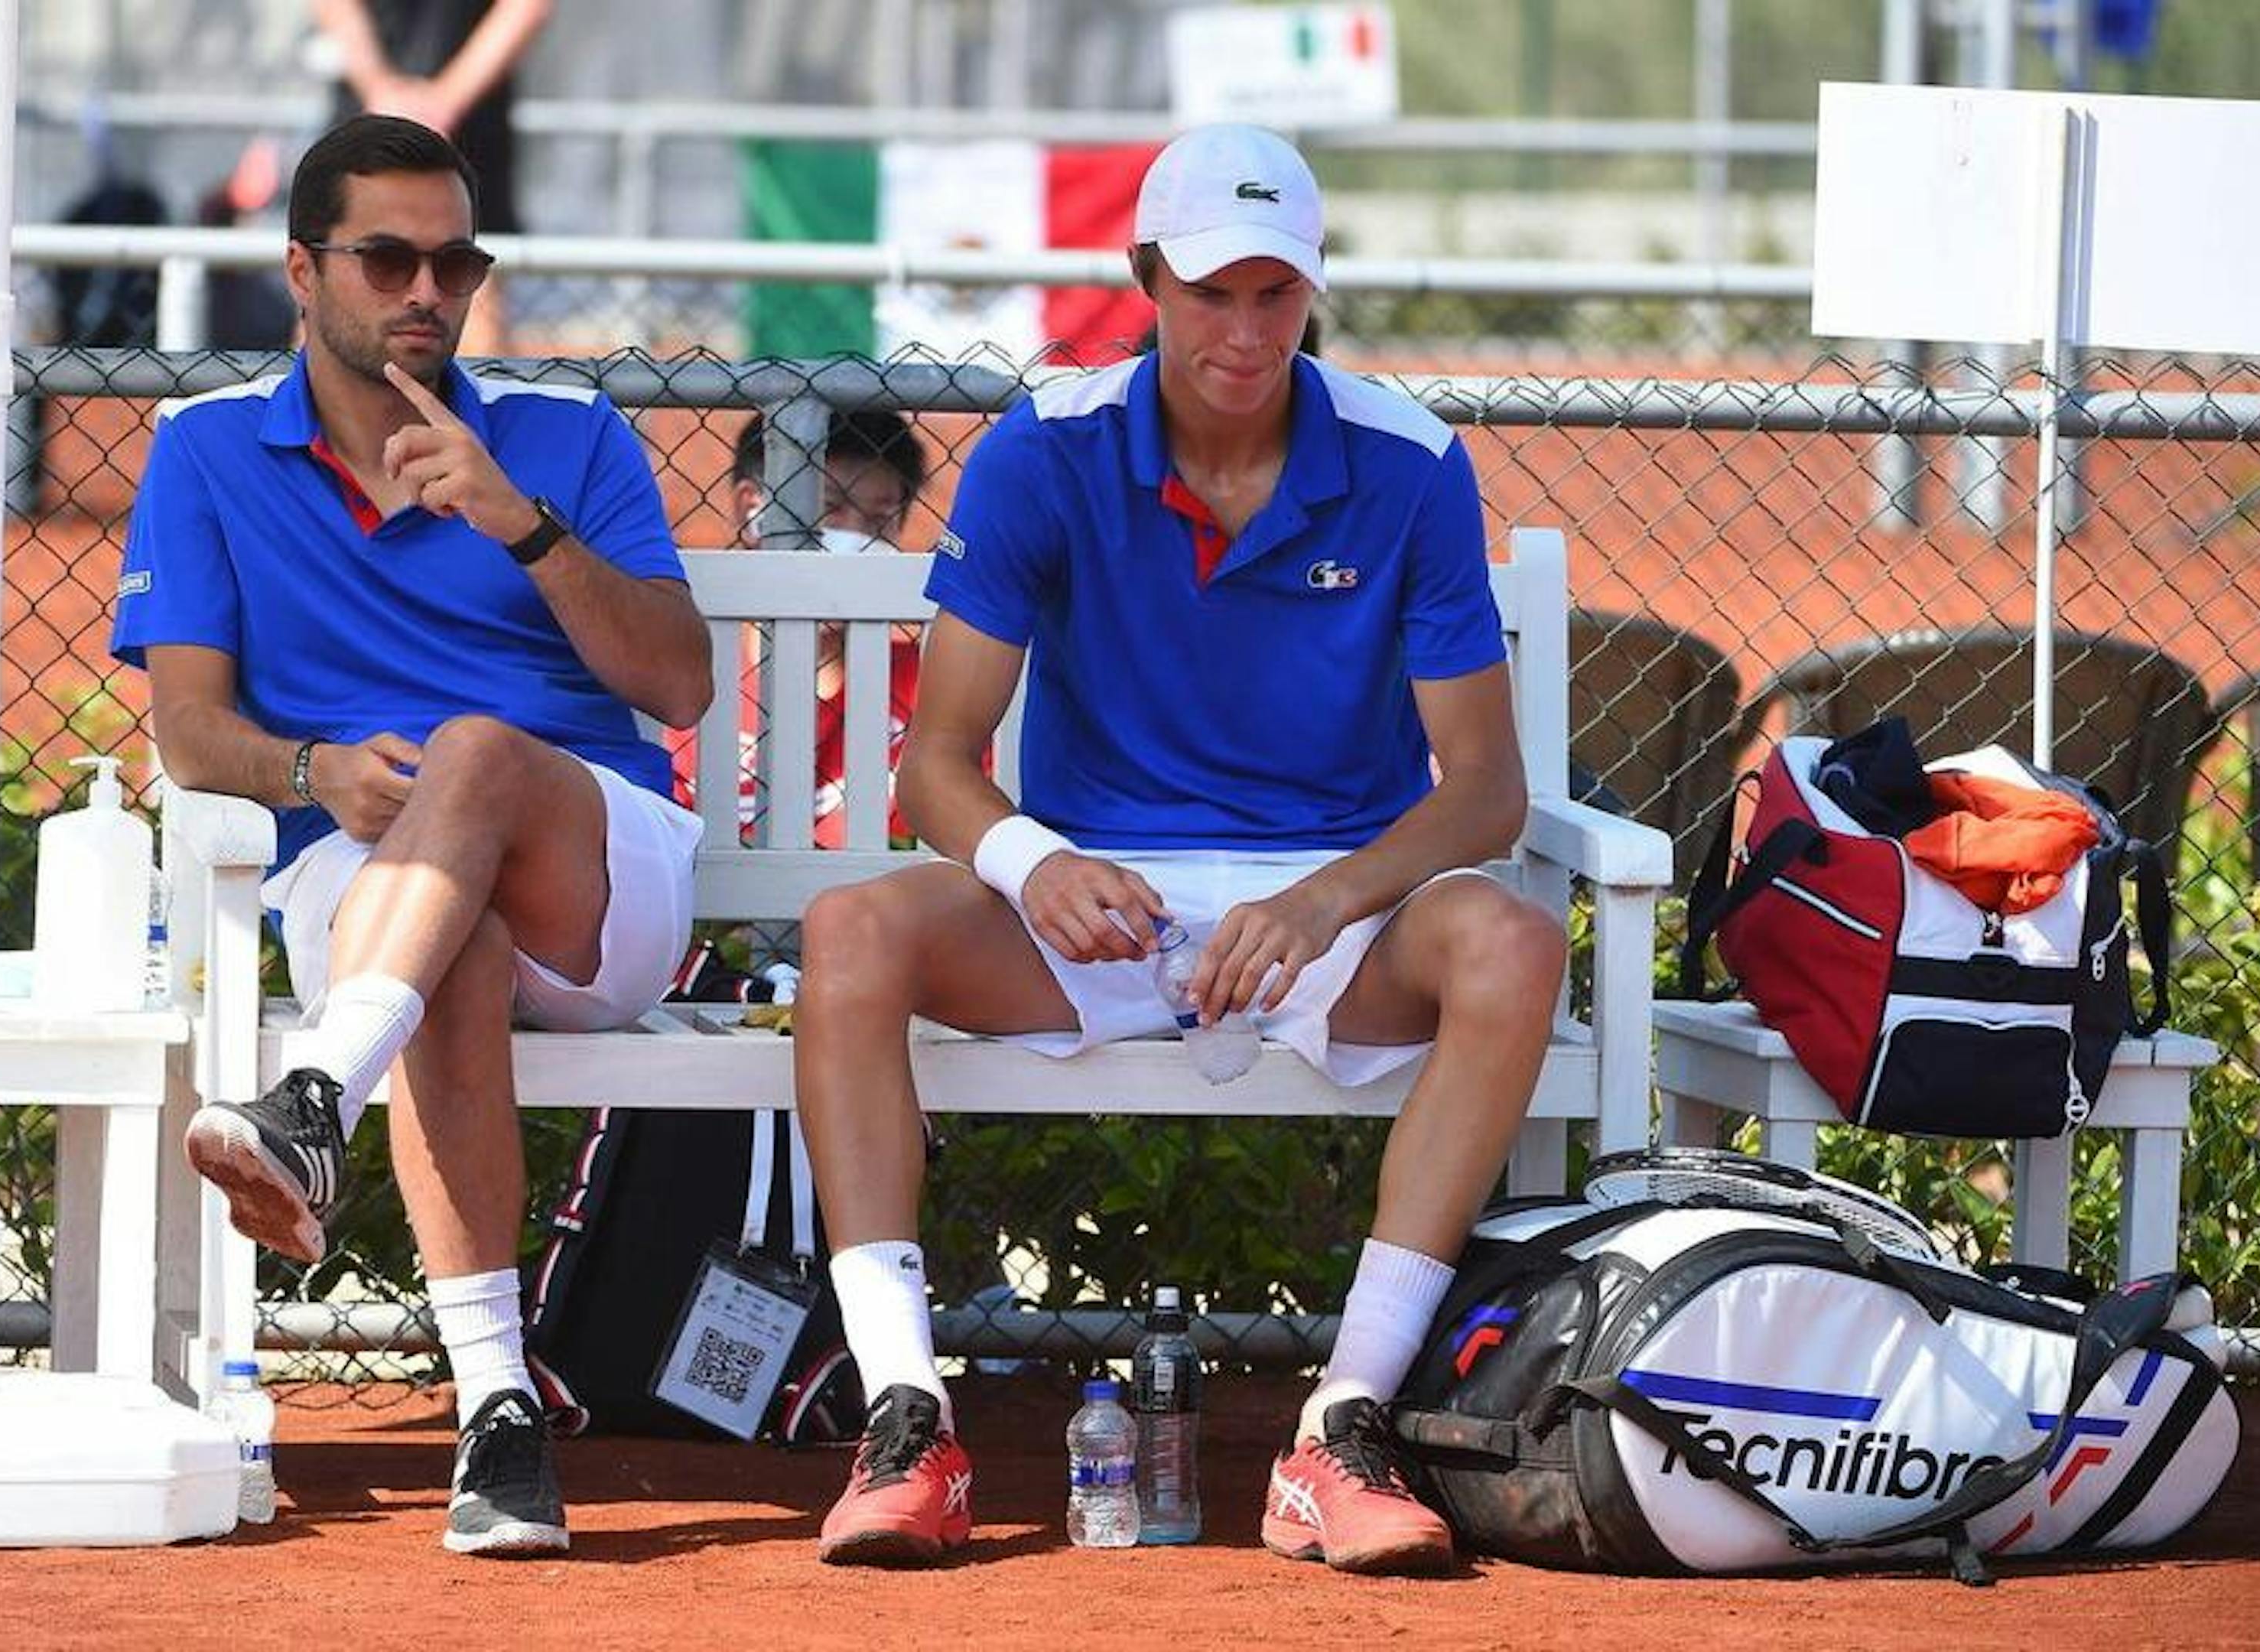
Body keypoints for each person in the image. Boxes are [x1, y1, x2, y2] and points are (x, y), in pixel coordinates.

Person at [792, 124, 1567, 1573]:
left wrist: (1324, 897)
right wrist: (1036, 863)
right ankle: (908, 1415)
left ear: (1314, 292)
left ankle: (1343, 1423)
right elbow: (936, 766)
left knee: (1515, 938)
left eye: (1276, 294)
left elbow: (1484, 796)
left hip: (1327, 919)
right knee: (851, 933)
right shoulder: (1047, 446)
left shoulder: (1410, 464)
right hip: (1096, 911)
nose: (1245, 330)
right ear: (1144, 275)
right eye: (1212, 291)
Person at [109, 115, 712, 1559]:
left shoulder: (567, 436)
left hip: (599, 872)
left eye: (455, 259)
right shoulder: (204, 451)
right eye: (389, 258)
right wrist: (309, 762)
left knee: (485, 752)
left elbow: (679, 682)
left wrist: (525, 529)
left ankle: (310, 1096)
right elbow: (190, 729)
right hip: (370, 878)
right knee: (459, 949)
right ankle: (499, 1411)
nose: (428, 290)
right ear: (303, 271)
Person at [670, 409, 928, 845]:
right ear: (754, 510)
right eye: (829, 509)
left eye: (881, 518)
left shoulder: (925, 685)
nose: (856, 537)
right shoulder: (684, 674)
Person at [311, 0, 553, 358]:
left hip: (466, 139)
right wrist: (385, 90)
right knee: (329, 311)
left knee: (471, 312)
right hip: (374, 125)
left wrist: (439, 102)